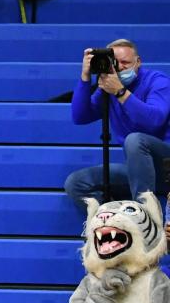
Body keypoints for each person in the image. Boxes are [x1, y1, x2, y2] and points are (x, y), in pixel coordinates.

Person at [64, 39, 170, 210]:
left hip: (166, 166)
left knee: (135, 140)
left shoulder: (157, 81)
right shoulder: (109, 88)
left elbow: (153, 121)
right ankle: (115, 221)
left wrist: (121, 92)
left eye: (125, 63)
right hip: (139, 171)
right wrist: (85, 77)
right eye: (115, 63)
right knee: (76, 183)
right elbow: (80, 116)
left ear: (138, 62)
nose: (120, 67)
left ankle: (145, 215)